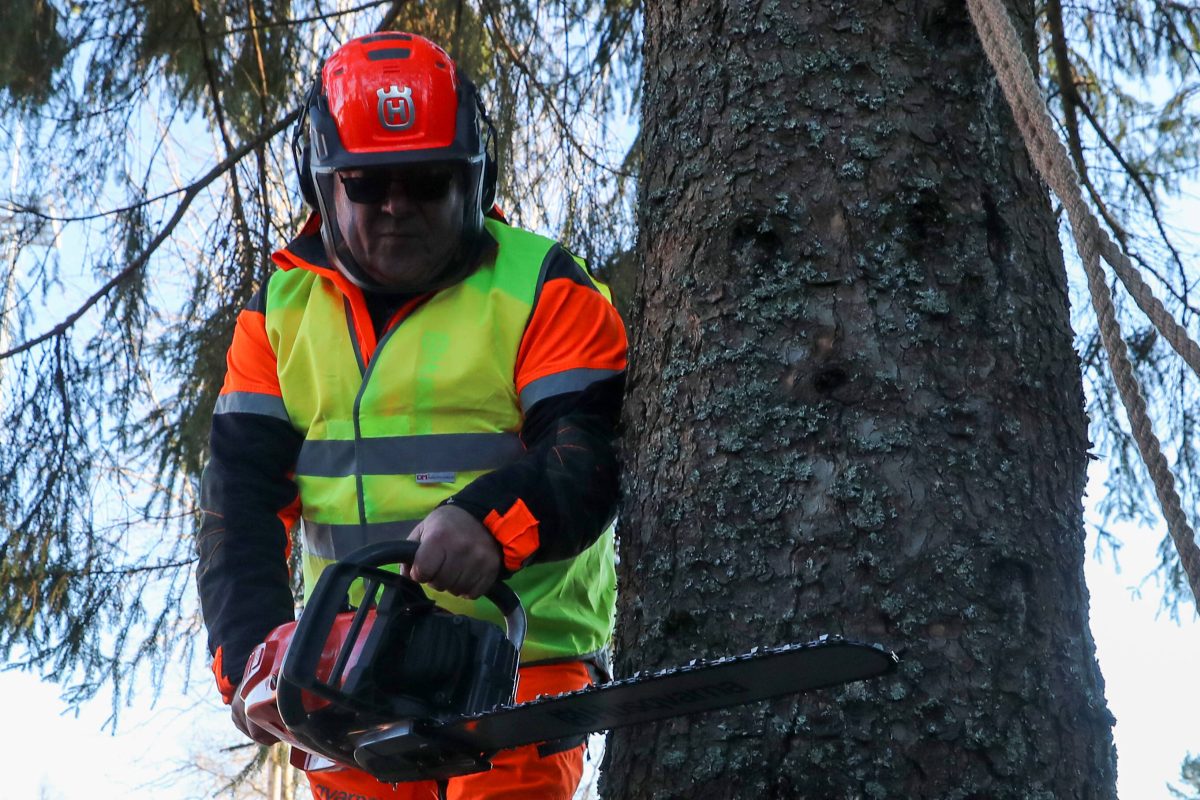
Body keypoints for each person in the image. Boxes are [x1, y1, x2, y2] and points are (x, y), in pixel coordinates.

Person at [196, 31, 627, 800]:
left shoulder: (545, 286)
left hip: (521, 670)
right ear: (322, 184)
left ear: (471, 178)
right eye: (366, 183)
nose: (396, 206)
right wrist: (255, 654)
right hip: (354, 678)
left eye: (426, 182)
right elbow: (238, 506)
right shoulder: (277, 318)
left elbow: (588, 453)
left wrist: (488, 525)